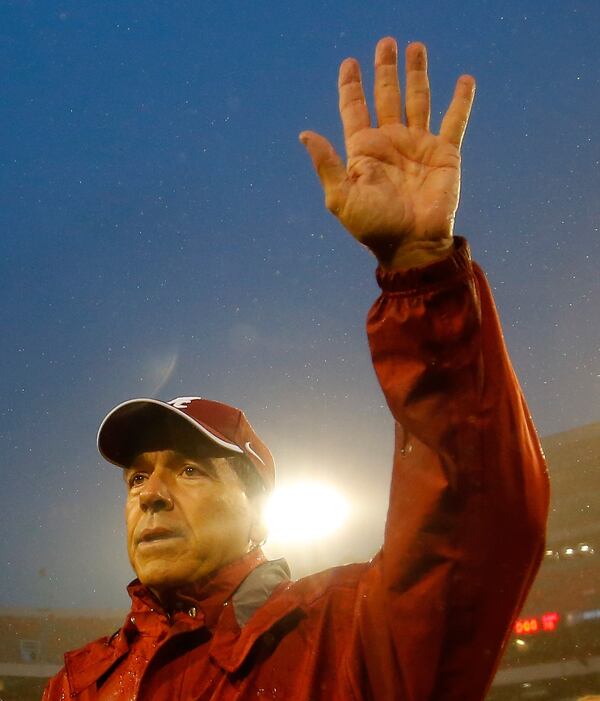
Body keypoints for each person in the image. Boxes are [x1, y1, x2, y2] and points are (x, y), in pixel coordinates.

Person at [43, 37, 549, 700]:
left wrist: (422, 272)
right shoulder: (78, 681)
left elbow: (475, 521)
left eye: (191, 468)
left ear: (260, 509)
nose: (151, 493)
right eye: (138, 475)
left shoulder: (350, 631)